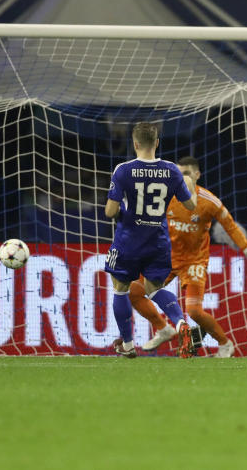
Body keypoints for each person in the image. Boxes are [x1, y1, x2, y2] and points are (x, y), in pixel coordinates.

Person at [129, 156, 247, 358]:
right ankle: (163, 329)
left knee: (194, 311)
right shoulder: (166, 197)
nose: (182, 177)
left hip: (194, 262)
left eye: (186, 173)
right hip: (166, 259)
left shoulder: (208, 201)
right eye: (178, 173)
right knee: (133, 291)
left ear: (197, 175)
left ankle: (225, 344)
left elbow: (231, 227)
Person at [104, 122, 198, 358]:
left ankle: (127, 345)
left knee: (121, 289)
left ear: (135, 143)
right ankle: (179, 323)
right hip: (158, 241)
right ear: (157, 143)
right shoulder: (172, 170)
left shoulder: (123, 170)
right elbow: (190, 206)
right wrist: (190, 185)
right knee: (154, 289)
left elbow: (109, 211)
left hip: (129, 241)